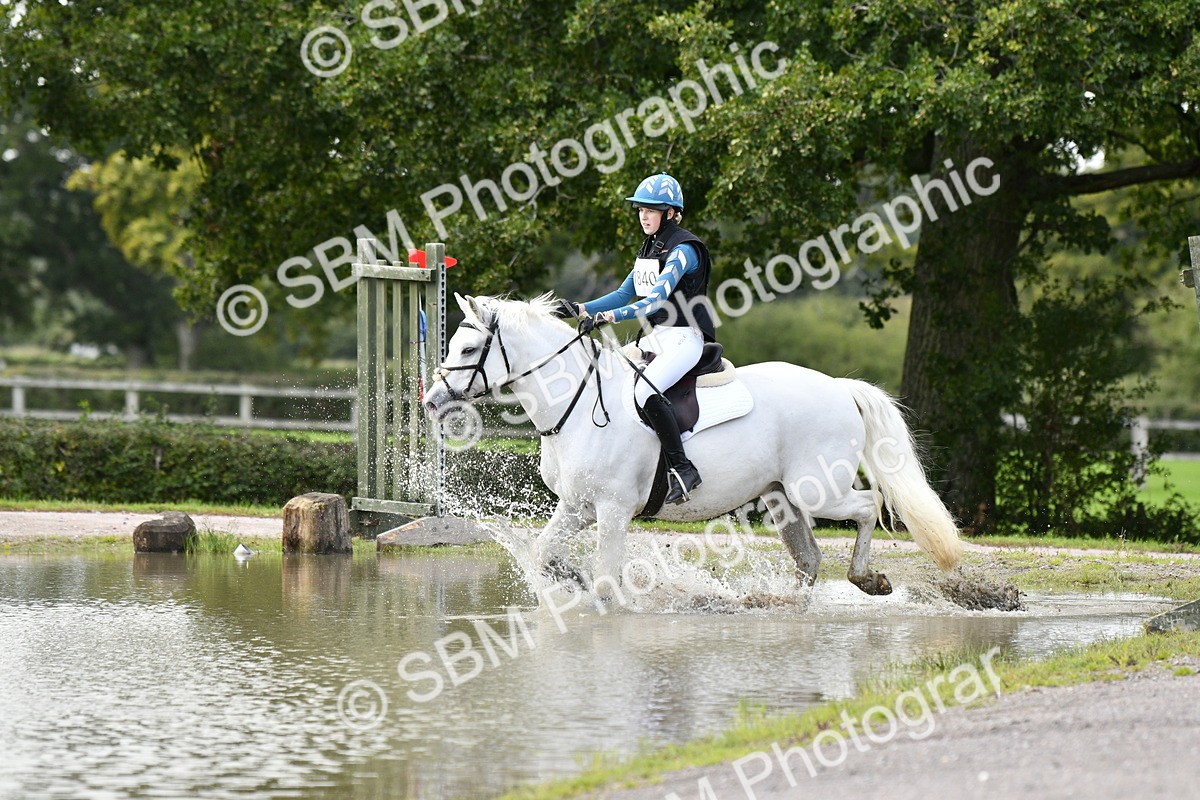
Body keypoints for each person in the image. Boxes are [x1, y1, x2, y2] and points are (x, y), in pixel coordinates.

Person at [556, 173, 716, 504]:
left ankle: (683, 469)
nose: (644, 215)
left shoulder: (685, 250)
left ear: (671, 213)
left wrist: (611, 318)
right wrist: (577, 308)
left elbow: (654, 301)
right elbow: (623, 293)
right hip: (657, 337)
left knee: (644, 390)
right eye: (641, 208)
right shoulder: (650, 247)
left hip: (685, 338)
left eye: (652, 209)